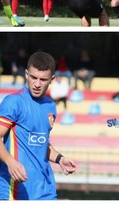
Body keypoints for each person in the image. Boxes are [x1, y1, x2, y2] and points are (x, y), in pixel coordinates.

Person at [0, 51, 76, 200]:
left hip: (46, 191)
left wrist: (60, 159)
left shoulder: (50, 106)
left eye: (43, 79)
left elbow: (40, 142)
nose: (37, 84)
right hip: (14, 191)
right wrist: (10, 162)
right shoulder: (13, 102)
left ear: (52, 79)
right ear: (27, 74)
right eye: (33, 77)